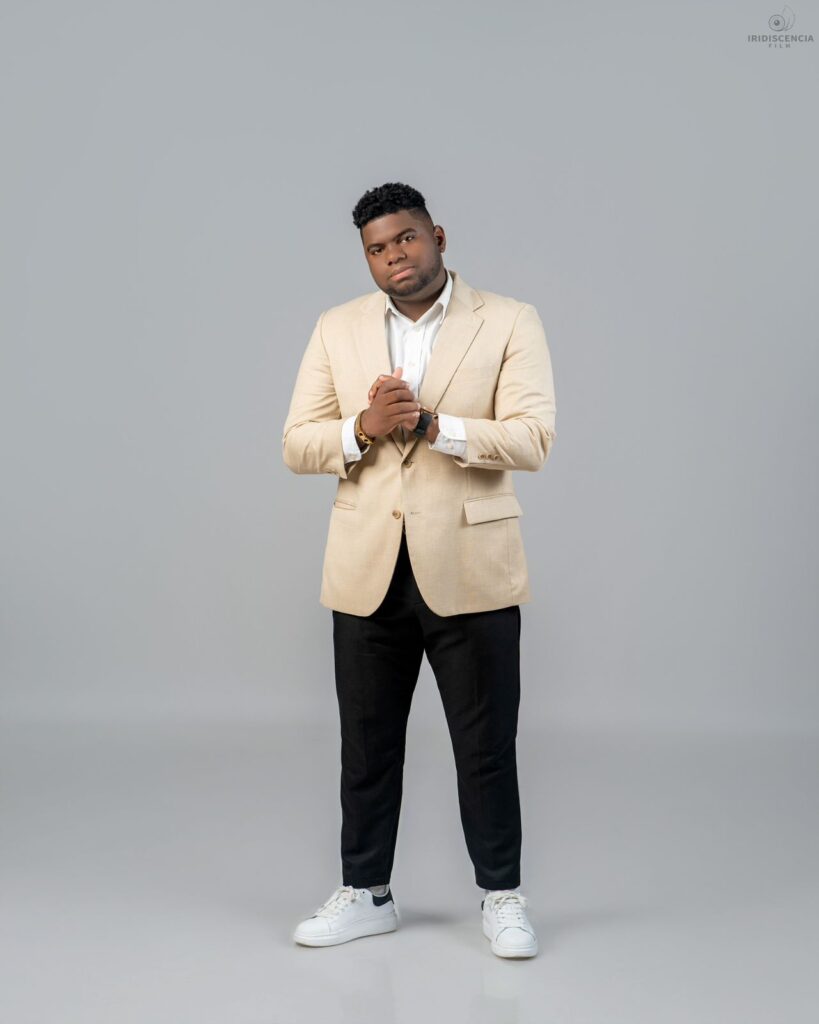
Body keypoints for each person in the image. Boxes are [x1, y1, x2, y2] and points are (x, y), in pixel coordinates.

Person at [281, 182, 557, 958]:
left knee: (485, 746)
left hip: (471, 563)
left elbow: (532, 438)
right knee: (366, 746)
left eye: (404, 238)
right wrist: (364, 427)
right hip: (366, 566)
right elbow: (297, 442)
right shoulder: (336, 328)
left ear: (436, 236)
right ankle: (367, 892)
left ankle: (501, 896)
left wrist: (434, 425)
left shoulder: (508, 320)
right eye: (376, 248)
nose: (392, 257)